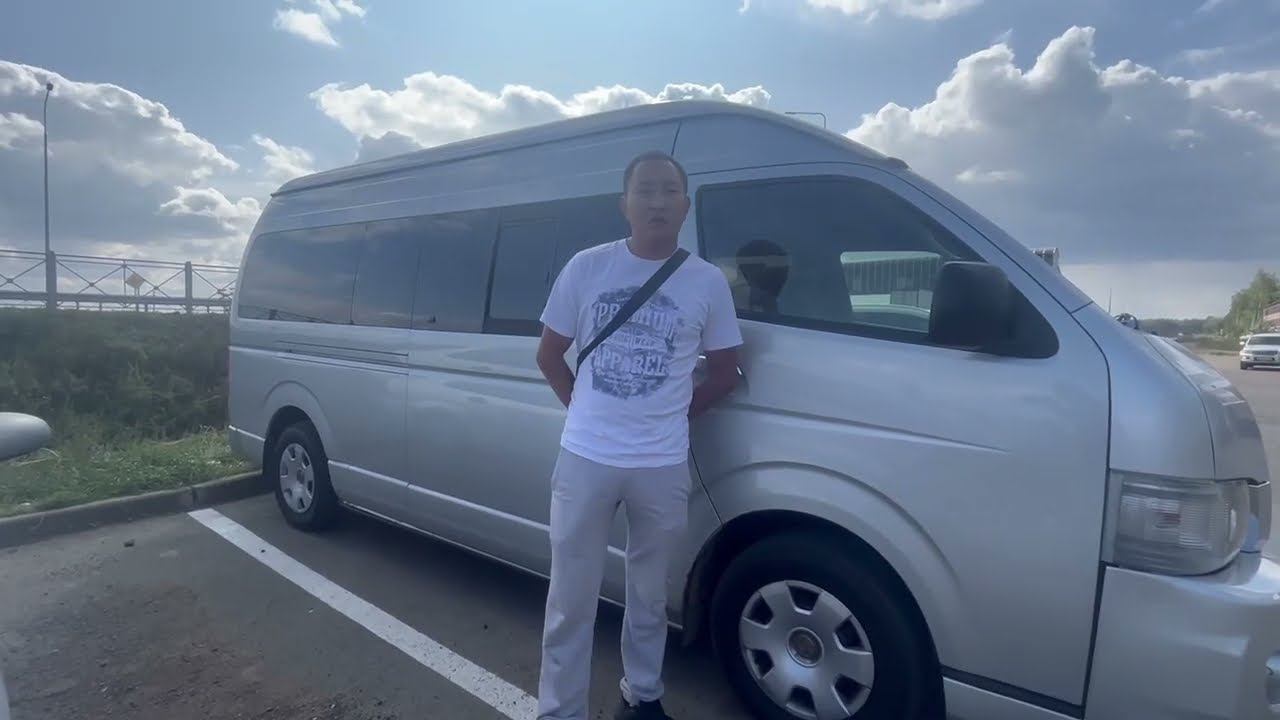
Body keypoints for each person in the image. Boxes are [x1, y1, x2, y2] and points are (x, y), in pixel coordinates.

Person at [534, 150, 743, 720]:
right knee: (571, 597)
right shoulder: (587, 268)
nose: (657, 201)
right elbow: (549, 355)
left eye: (669, 191)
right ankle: (560, 711)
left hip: (662, 464)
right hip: (585, 459)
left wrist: (671, 416)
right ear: (624, 203)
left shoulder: (706, 282)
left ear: (685, 206)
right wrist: (585, 411)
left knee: (650, 595)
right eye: (645, 190)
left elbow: (725, 372)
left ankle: (643, 695)